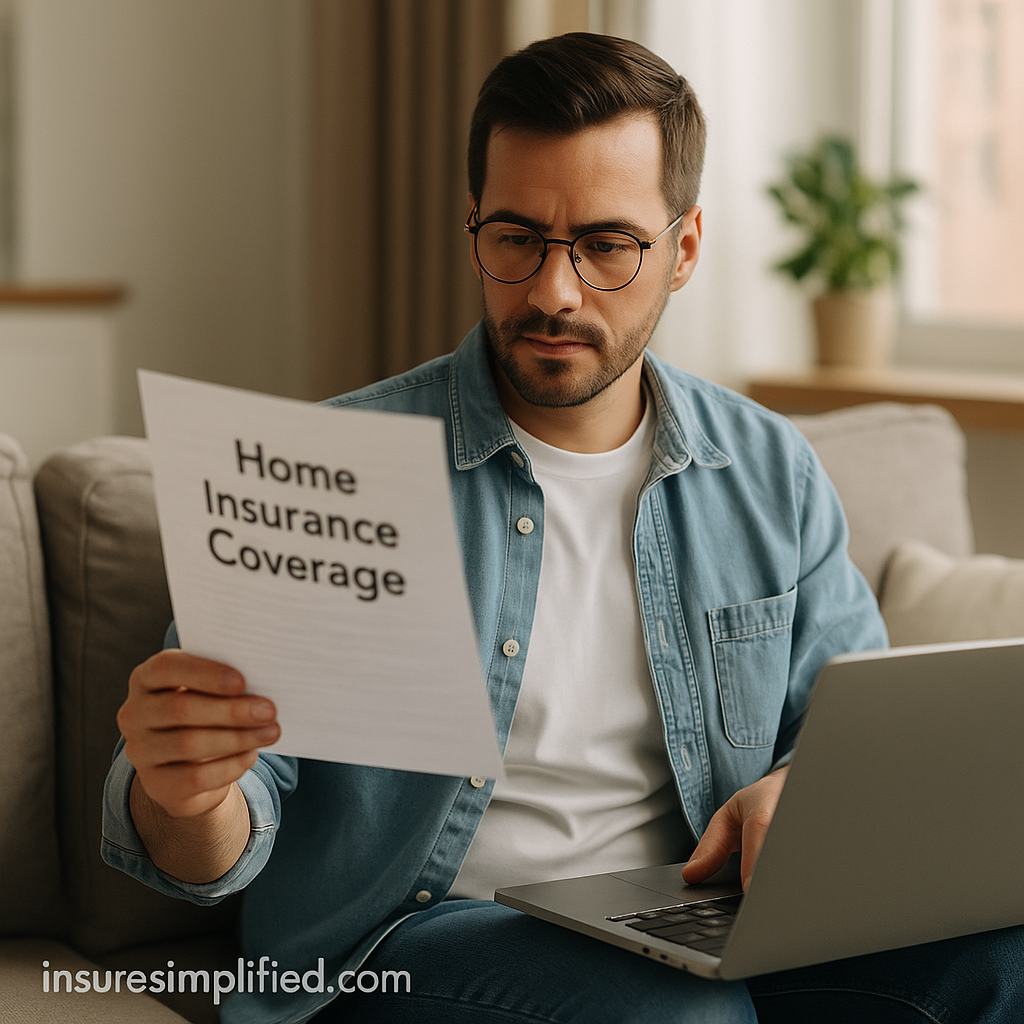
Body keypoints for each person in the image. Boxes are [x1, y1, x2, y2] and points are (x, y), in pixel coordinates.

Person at [103, 33, 1023, 1024]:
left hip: (696, 923)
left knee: (1001, 959)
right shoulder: (329, 470)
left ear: (684, 249)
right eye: (516, 237)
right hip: (408, 941)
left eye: (606, 245)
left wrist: (800, 791)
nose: (552, 291)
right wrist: (185, 794)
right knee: (678, 1016)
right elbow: (220, 842)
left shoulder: (768, 470)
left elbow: (846, 747)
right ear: (471, 232)